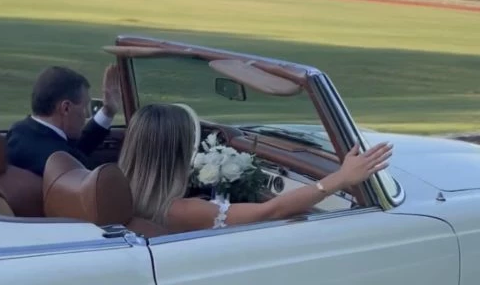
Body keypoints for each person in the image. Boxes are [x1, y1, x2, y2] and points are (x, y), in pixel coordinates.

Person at [118, 103, 393, 232]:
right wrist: (340, 178)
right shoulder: (181, 210)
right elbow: (270, 210)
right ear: (179, 154)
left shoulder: (120, 193)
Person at [6, 64, 121, 177]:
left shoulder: (18, 132)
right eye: (84, 106)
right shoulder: (66, 164)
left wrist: (108, 112)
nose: (86, 114)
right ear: (66, 108)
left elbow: (73, 148)